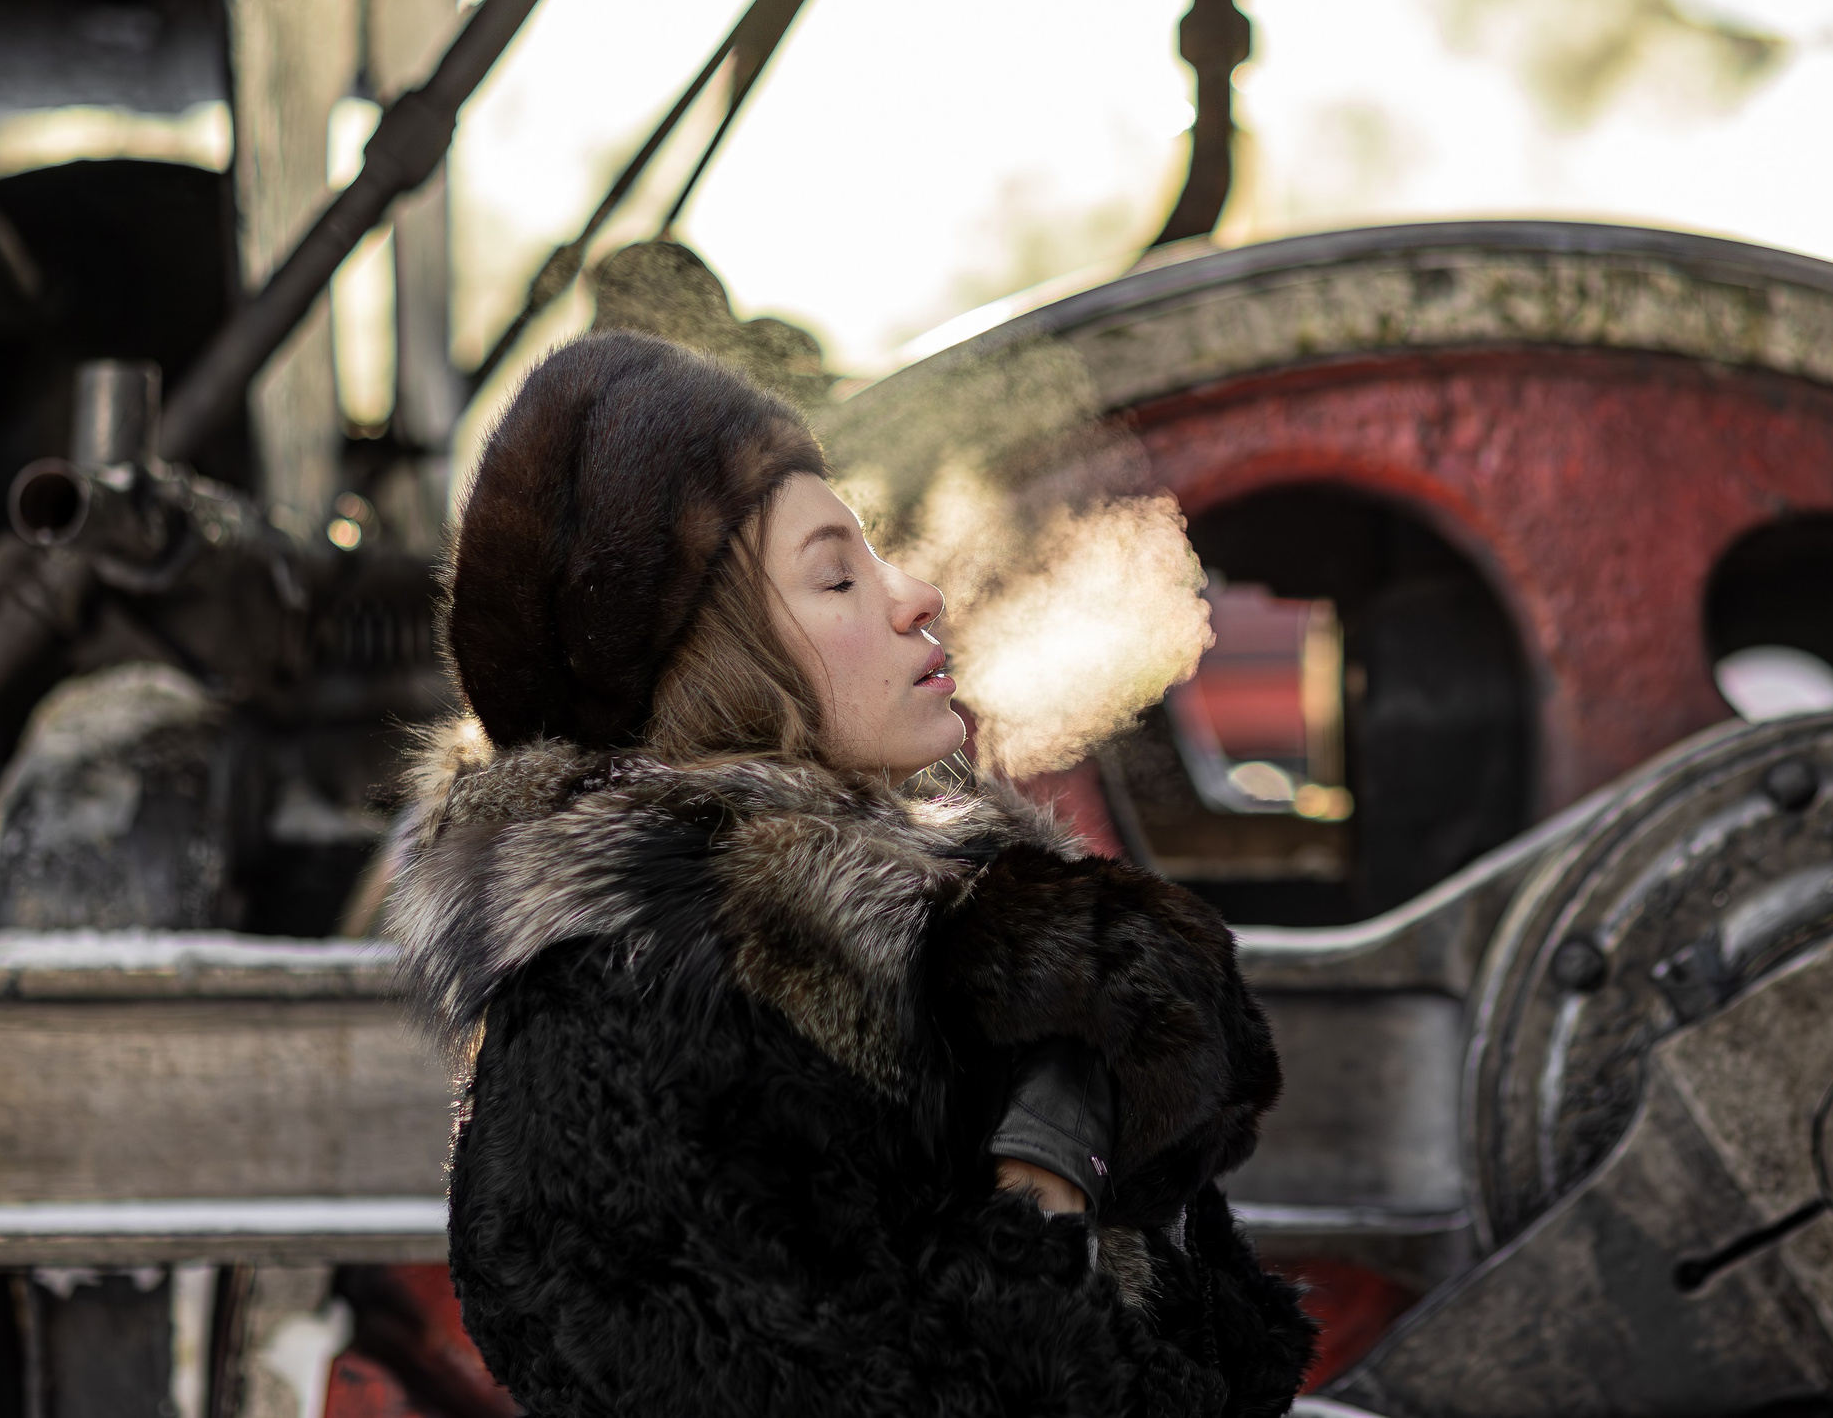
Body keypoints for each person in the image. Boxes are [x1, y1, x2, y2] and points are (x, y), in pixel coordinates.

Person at [388, 332, 1315, 1416]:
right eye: (837, 575)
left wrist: (1112, 1029)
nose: (913, 594)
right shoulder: (623, 1032)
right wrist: (1040, 1192)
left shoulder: (956, 947)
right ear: (713, 669)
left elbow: (1223, 1349)